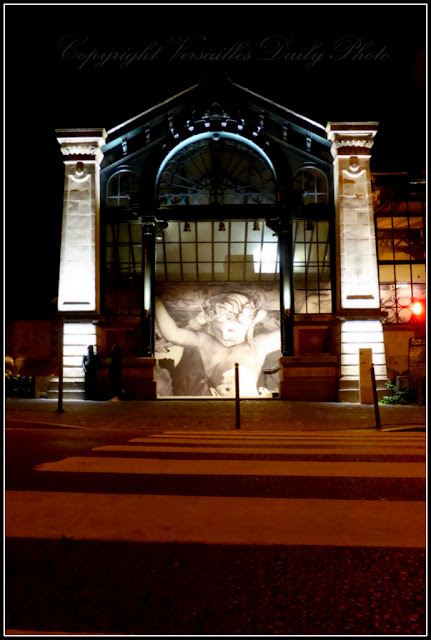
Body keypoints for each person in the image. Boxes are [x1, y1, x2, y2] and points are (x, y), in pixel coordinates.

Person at [155, 292, 280, 397]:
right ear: (211, 328)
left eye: (232, 330)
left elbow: (291, 333)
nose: (225, 336)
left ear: (249, 326)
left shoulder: (257, 346)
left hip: (250, 403)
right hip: (216, 403)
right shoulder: (206, 343)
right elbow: (173, 334)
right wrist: (156, 303)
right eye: (218, 330)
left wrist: (265, 319)